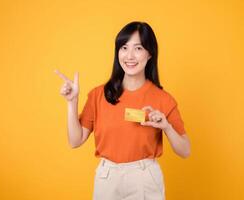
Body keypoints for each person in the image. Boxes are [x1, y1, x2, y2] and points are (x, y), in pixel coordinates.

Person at [55, 21, 191, 200]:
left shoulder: (163, 99)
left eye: (138, 48)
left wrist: (166, 127)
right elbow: (75, 140)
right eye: (124, 47)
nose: (130, 55)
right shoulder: (99, 95)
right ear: (117, 51)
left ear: (150, 53)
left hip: (145, 179)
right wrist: (72, 102)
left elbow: (185, 150)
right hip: (108, 179)